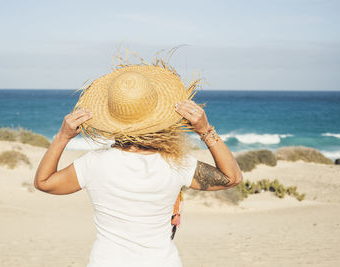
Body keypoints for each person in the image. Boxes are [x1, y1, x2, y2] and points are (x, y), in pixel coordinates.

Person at [34, 63, 243, 267]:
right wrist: (205, 130)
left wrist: (63, 136)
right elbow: (232, 178)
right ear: (161, 117)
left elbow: (44, 182)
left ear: (113, 119)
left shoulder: (94, 163)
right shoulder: (177, 164)